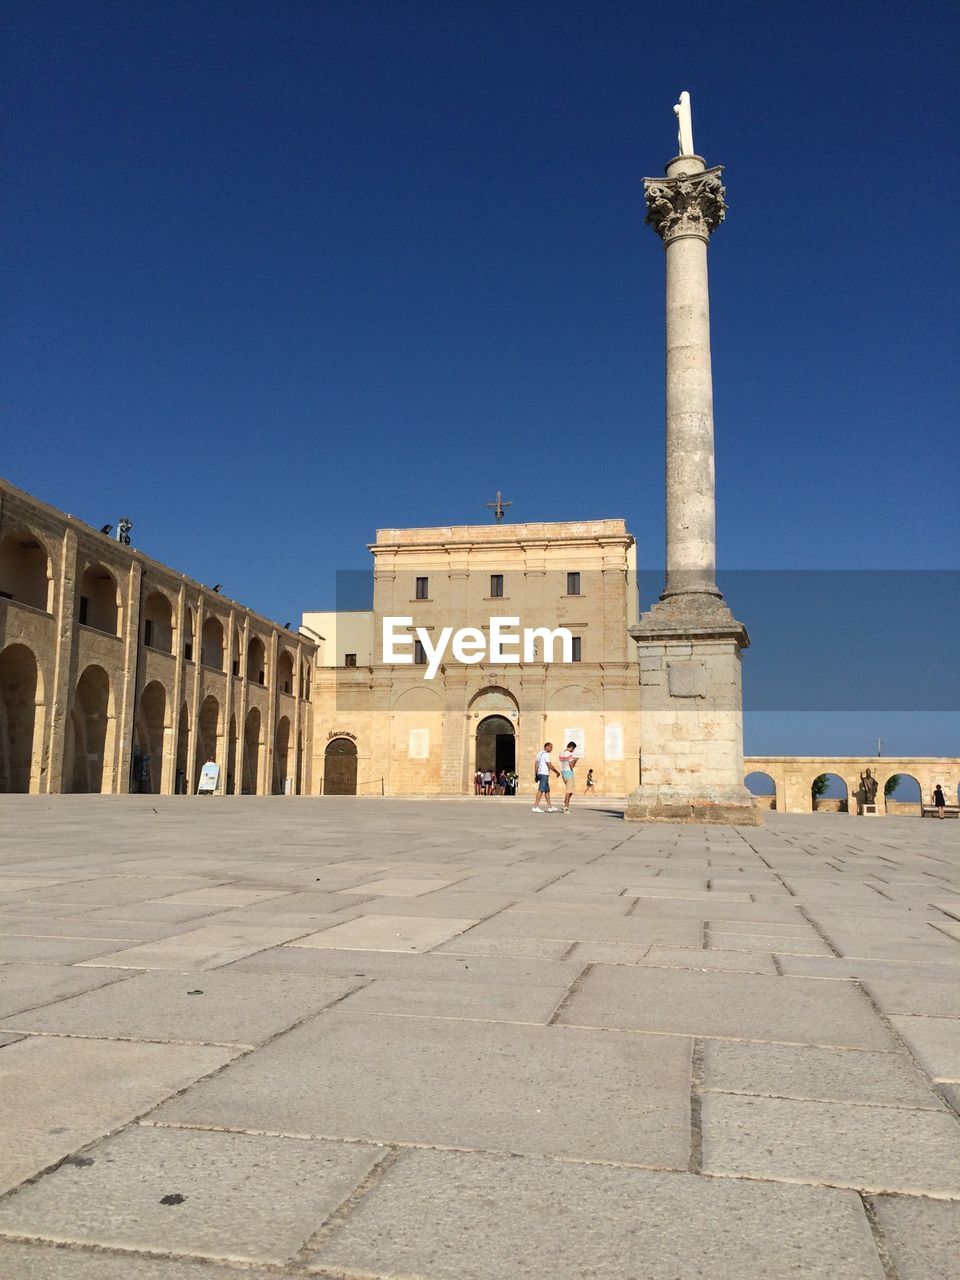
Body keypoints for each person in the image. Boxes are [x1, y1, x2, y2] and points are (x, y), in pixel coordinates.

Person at [531, 741, 561, 812]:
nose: (551, 749)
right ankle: (535, 806)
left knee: (547, 790)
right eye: (550, 747)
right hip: (544, 774)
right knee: (541, 790)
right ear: (546, 747)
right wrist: (557, 772)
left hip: (540, 774)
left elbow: (536, 764)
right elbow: (549, 765)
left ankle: (550, 807)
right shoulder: (546, 755)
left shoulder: (539, 753)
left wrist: (536, 774)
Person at [557, 740, 578, 813]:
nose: (573, 751)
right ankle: (565, 807)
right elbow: (571, 766)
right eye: (573, 749)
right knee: (569, 792)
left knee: (570, 791)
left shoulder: (561, 753)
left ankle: (564, 804)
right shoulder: (569, 754)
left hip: (563, 774)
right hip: (569, 774)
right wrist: (575, 760)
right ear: (571, 747)